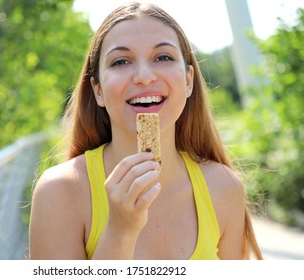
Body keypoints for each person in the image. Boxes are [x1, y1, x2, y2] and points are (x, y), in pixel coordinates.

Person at [29, 2, 263, 260]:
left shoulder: (224, 187)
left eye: (163, 57)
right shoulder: (59, 193)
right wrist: (121, 231)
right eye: (121, 61)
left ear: (188, 81)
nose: (143, 76)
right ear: (98, 90)